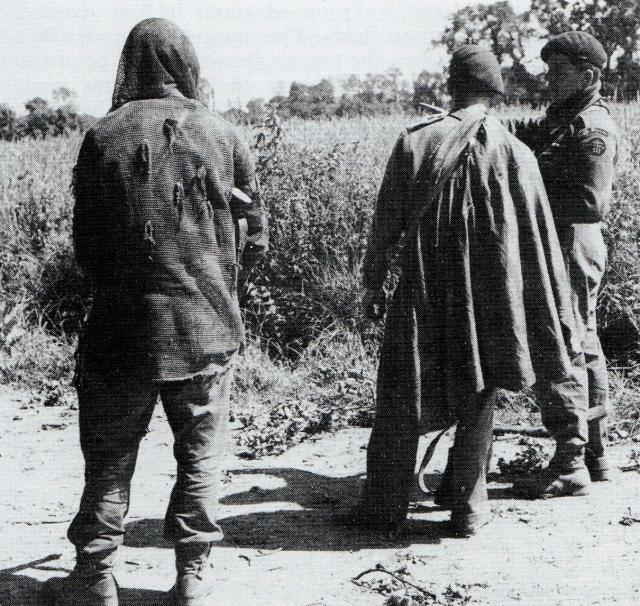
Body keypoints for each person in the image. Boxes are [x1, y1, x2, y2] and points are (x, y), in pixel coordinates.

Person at [43, 18, 267, 606]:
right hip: (205, 332)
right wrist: (217, 276)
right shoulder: (225, 134)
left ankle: (94, 578)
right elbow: (256, 239)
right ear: (185, 64)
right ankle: (191, 577)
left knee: (110, 457)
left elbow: (86, 247)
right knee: (200, 456)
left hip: (121, 332)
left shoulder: (103, 136)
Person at [350, 45, 584, 537]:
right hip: (492, 300)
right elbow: (535, 244)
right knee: (479, 392)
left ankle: (385, 507)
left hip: (424, 291)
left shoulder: (416, 142)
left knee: (400, 390)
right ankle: (468, 509)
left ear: (451, 85)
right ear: (496, 90)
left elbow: (385, 224)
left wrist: (372, 283)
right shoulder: (517, 152)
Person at [505, 31, 619, 497]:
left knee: (562, 342)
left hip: (570, 241)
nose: (548, 78)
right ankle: (595, 453)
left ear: (588, 76)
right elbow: (527, 132)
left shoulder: (592, 128)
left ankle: (570, 461)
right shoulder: (565, 119)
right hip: (565, 241)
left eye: (558, 71)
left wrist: (534, 189)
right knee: (583, 340)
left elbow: (591, 202)